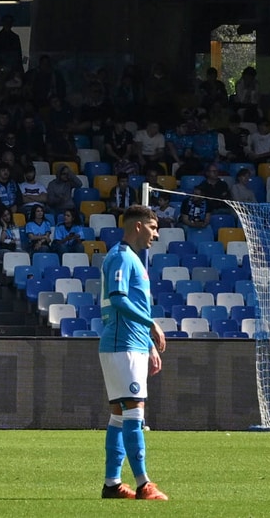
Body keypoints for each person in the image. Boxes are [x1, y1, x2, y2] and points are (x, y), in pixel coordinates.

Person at [98, 204, 169, 501]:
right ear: (138, 226)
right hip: (122, 343)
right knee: (134, 412)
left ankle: (112, 484)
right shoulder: (121, 257)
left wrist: (148, 344)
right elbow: (118, 299)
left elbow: (133, 304)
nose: (156, 234)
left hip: (132, 343)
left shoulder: (132, 259)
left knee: (119, 415)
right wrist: (151, 323)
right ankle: (143, 484)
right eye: (153, 227)